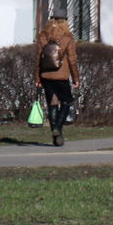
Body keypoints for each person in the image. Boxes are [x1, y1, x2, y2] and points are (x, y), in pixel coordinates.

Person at [35, 8, 79, 147]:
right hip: (61, 76)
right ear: (65, 21)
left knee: (52, 104)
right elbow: (72, 60)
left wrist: (38, 78)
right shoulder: (67, 37)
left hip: (46, 75)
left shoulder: (43, 35)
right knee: (66, 102)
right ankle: (57, 129)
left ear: (52, 19)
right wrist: (75, 79)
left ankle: (56, 137)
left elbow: (38, 59)